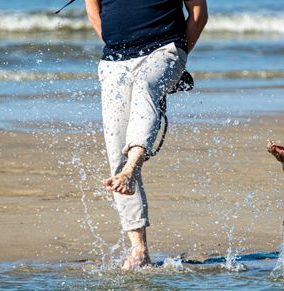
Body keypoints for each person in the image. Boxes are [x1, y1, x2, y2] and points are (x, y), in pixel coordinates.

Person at [84, 0, 208, 269]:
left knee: (145, 86)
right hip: (115, 58)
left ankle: (133, 165)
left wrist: (180, 54)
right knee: (116, 157)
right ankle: (140, 250)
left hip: (164, 50)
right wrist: (117, 44)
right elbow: (93, 10)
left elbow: (198, 13)